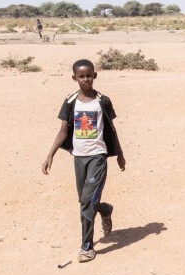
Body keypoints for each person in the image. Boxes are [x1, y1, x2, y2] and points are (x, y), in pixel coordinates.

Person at [42, 59, 126, 263]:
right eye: (82, 76)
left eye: (89, 75)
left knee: (87, 202)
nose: (86, 79)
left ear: (94, 76)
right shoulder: (70, 101)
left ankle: (87, 247)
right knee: (85, 200)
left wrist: (120, 154)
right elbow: (63, 131)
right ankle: (105, 209)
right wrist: (50, 154)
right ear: (75, 78)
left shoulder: (102, 101)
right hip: (79, 157)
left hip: (98, 156)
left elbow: (112, 129)